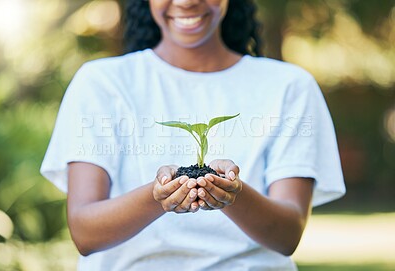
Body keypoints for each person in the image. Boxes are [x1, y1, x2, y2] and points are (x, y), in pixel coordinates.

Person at [40, 0, 346, 270]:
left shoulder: (289, 86)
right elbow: (84, 232)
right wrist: (158, 196)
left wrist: (232, 193)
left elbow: (288, 234)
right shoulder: (101, 83)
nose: (186, 1)